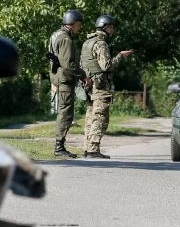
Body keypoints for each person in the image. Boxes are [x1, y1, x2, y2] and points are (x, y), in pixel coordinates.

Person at [80, 15, 133, 159]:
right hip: (101, 86)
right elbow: (106, 66)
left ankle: (87, 148)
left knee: (90, 117)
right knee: (100, 118)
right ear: (106, 27)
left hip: (89, 85)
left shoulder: (87, 43)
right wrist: (120, 56)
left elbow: (82, 65)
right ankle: (93, 150)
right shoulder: (101, 44)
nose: (113, 29)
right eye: (112, 27)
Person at [48, 9, 83, 158]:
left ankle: (60, 146)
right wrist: (83, 75)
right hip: (65, 80)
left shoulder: (56, 35)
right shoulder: (66, 39)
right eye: (79, 24)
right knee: (65, 113)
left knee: (64, 111)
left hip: (59, 78)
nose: (80, 27)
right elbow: (68, 65)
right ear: (73, 24)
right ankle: (59, 147)